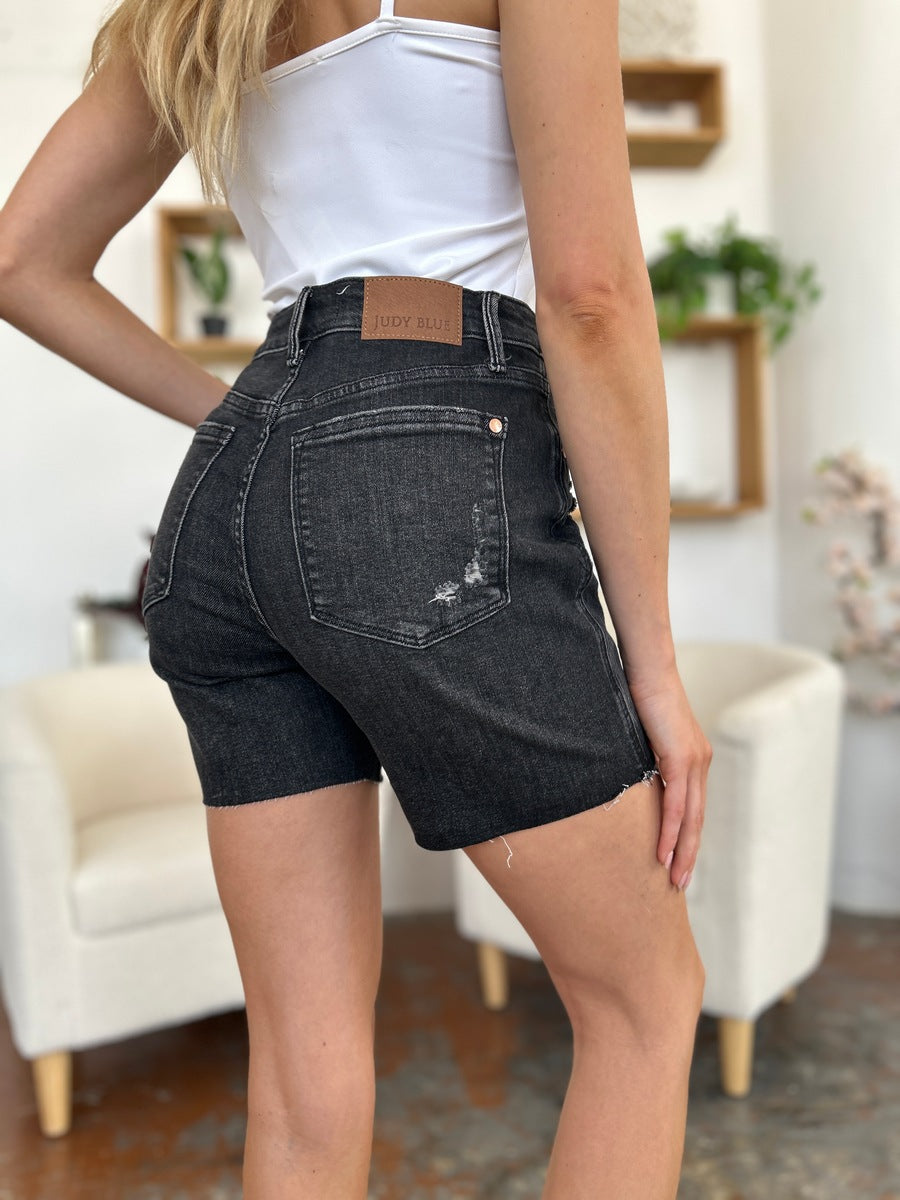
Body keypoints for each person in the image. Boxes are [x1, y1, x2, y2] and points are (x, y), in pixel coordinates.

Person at [0, 0, 712, 1196]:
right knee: (646, 999)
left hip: (231, 501)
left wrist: (249, 426)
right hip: (426, 465)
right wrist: (656, 667)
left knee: (301, 1078)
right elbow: (591, 296)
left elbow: (21, 261)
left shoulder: (186, 12)